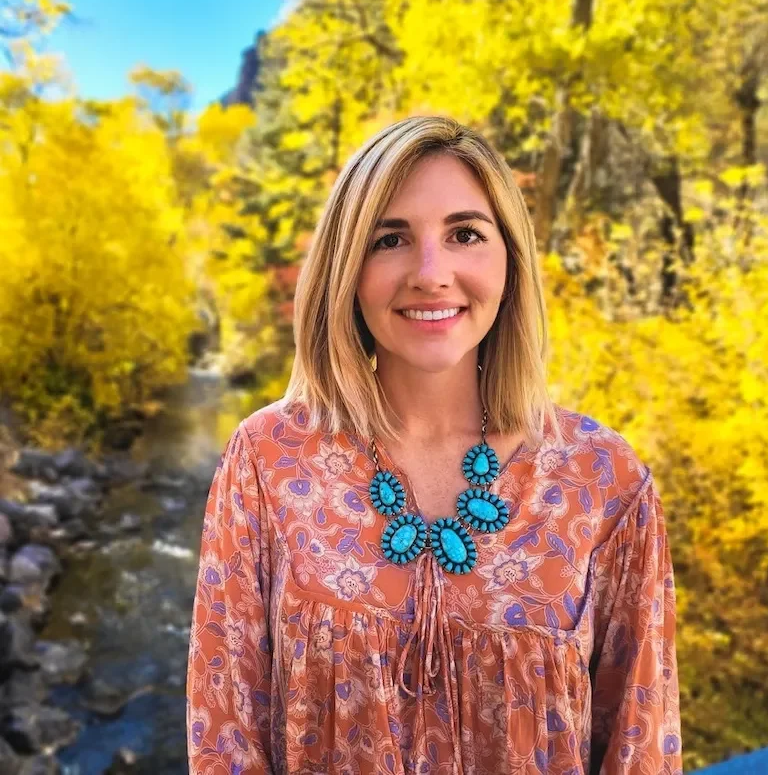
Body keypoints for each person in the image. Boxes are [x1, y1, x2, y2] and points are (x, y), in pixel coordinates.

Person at [186, 115, 682, 774]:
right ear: (347, 266)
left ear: (509, 257)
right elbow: (225, 735)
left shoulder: (600, 479)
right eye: (390, 239)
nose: (430, 272)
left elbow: (640, 745)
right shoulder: (268, 461)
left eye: (465, 234)